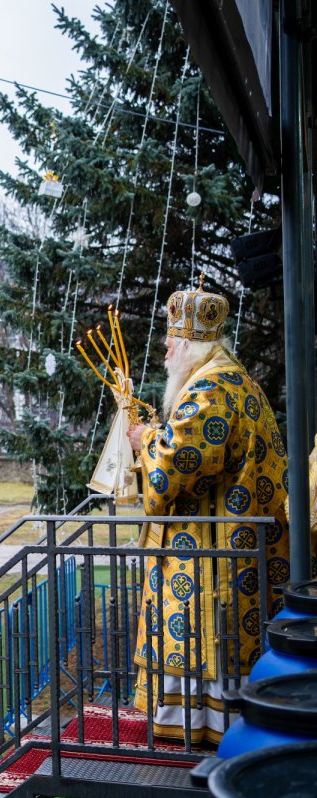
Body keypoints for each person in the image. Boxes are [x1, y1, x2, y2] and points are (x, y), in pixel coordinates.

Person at [125, 281, 294, 745]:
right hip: (230, 544)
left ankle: (202, 728)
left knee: (208, 641)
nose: (164, 347)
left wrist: (145, 444)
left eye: (170, 339)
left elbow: (174, 469)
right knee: (218, 641)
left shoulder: (212, 387)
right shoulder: (231, 376)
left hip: (212, 553)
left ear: (187, 344)